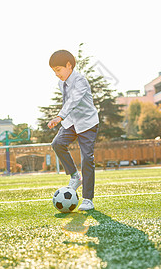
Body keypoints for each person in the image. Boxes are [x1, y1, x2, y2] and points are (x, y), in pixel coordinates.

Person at [48, 50, 99, 211]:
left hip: (87, 124)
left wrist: (59, 117)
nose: (56, 74)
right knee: (57, 144)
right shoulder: (61, 83)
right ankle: (75, 176)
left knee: (87, 158)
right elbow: (67, 102)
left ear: (69, 65)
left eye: (58, 69)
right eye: (54, 71)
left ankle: (88, 199)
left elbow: (73, 101)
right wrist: (64, 119)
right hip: (71, 123)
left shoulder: (80, 80)